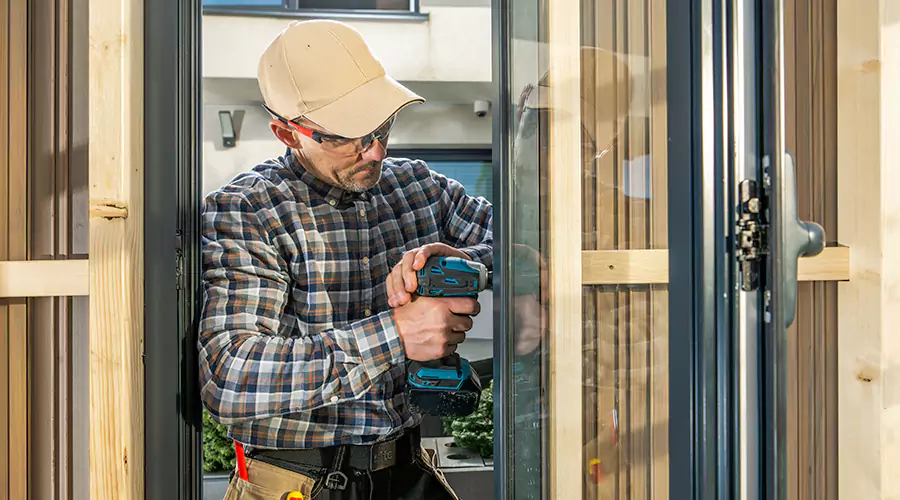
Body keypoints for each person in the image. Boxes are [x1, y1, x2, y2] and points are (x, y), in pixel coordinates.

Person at [198, 19, 491, 500]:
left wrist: (468, 262)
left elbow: (525, 239)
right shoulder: (247, 211)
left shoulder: (418, 186)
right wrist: (397, 334)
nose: (374, 151)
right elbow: (230, 377)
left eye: (381, 126)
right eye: (344, 136)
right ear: (287, 133)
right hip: (295, 482)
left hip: (408, 470)